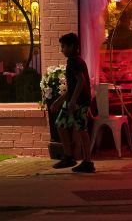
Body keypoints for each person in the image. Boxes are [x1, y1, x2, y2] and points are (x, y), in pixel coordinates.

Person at [50, 32, 95, 173]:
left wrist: (73, 101)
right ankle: (69, 156)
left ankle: (88, 162)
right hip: (73, 101)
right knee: (61, 124)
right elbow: (73, 86)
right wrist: (59, 100)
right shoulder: (73, 61)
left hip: (79, 102)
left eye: (63, 46)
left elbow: (80, 81)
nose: (61, 49)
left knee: (81, 129)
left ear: (71, 46)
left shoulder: (74, 61)